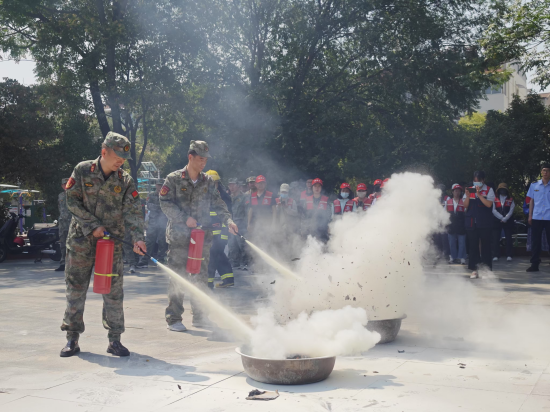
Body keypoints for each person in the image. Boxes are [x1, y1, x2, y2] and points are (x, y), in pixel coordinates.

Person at [60, 132, 146, 357]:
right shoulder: (82, 170)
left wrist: (138, 237)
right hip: (81, 242)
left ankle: (115, 340)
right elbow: (72, 201)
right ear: (104, 150)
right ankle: (72, 338)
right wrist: (93, 225)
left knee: (113, 293)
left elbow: (134, 211)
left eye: (124, 157)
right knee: (75, 290)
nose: (120, 161)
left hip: (110, 245)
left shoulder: (124, 180)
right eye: (117, 155)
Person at [160, 141, 237, 331]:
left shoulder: (208, 182)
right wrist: (183, 218)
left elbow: (218, 204)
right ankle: (174, 318)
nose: (203, 163)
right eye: (200, 159)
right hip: (179, 237)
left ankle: (201, 317)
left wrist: (228, 220)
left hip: (201, 238)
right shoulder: (174, 178)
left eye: (206, 159)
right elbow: (165, 202)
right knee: (178, 277)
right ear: (190, 157)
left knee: (201, 277)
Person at [205, 170, 235, 288]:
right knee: (216, 254)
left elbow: (227, 214)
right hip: (210, 231)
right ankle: (227, 279)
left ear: (218, 183)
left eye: (215, 183)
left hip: (221, 231)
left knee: (213, 254)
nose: (213, 185)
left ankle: (208, 282)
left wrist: (224, 232)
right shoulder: (204, 195)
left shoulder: (223, 196)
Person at [463, 171, 495, 279]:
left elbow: (489, 204)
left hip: (485, 223)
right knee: (473, 247)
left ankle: (486, 270)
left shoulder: (489, 189)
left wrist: (479, 195)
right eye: (475, 181)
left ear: (483, 180)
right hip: (472, 223)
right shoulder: (469, 189)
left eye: (478, 181)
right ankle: (474, 270)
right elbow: (465, 205)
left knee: (486, 246)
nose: (476, 183)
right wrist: (467, 196)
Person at [136, 179, 168, 269]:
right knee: (149, 241)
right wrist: (160, 208)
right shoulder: (151, 195)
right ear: (156, 185)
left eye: (161, 185)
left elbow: (168, 207)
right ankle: (144, 260)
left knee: (163, 242)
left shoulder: (167, 195)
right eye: (158, 185)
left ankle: (161, 260)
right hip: (153, 222)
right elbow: (149, 206)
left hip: (163, 222)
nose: (159, 187)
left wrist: (158, 208)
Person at [526, 165, 550, 272]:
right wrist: (530, 215)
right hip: (537, 216)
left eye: (547, 171)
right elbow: (531, 201)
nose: (545, 173)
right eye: (544, 170)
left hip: (549, 217)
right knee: (535, 242)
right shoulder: (534, 185)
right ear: (541, 172)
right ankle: (534, 265)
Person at [228, 178, 249, 270]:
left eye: (233, 185)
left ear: (238, 186)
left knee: (242, 244)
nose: (231, 187)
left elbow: (248, 211)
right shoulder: (228, 197)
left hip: (241, 223)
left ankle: (246, 263)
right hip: (231, 224)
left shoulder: (244, 197)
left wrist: (247, 224)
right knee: (232, 244)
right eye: (230, 185)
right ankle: (234, 264)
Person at [492, 183, 515, 262]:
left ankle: (509, 255)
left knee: (508, 238)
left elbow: (511, 210)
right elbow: (493, 210)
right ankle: (496, 255)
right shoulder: (494, 199)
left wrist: (505, 218)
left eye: (504, 189)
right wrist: (501, 217)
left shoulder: (511, 199)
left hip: (508, 221)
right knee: (496, 239)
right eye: (501, 189)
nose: (502, 190)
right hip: (496, 221)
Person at [446, 184, 466, 264]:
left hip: (461, 224)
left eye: (459, 191)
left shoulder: (464, 201)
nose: (457, 192)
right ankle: (453, 257)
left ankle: (461, 257)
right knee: (452, 242)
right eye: (455, 191)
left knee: (462, 242)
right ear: (453, 192)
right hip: (451, 224)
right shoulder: (448, 202)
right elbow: (445, 213)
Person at [55, 178, 71, 272]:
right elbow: (59, 208)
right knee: (63, 243)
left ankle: (73, 264)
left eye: (68, 183)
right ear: (62, 186)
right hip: (62, 223)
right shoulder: (60, 195)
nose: (66, 185)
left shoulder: (75, 194)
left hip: (72, 223)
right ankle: (63, 263)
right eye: (64, 184)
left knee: (73, 244)